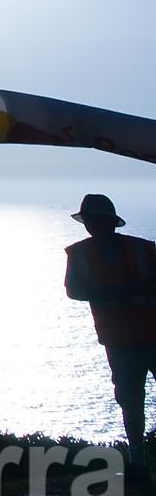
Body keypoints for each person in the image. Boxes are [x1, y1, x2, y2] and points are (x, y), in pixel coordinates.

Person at [63, 192, 156, 471]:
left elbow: (74, 290)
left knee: (130, 398)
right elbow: (73, 290)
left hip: (140, 336)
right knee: (130, 399)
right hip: (120, 340)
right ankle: (137, 457)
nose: (92, 225)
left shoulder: (143, 249)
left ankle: (138, 458)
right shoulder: (81, 254)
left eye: (93, 220)